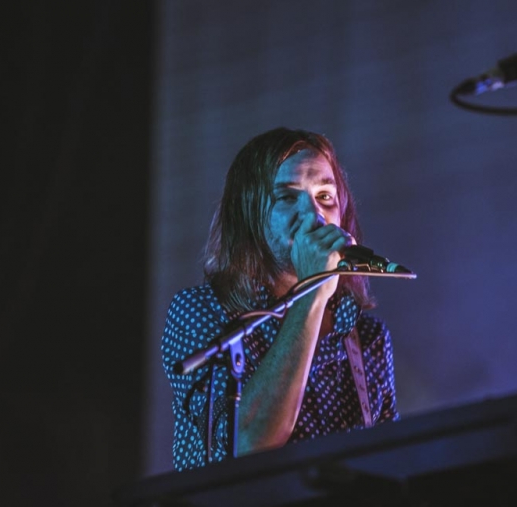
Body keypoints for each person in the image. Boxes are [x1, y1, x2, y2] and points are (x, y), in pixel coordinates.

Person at [161, 127, 400, 470]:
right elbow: (248, 444)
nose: (313, 216)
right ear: (248, 214)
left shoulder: (367, 339)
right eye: (288, 197)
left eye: (325, 197)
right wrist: (314, 291)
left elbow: (388, 469)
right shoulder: (201, 311)